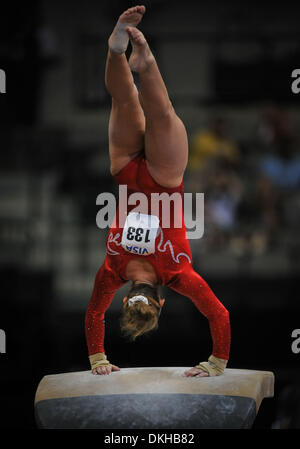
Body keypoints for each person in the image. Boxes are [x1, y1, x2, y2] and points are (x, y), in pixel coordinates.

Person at [85, 6, 230, 377]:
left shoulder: (179, 273)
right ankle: (117, 48)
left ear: (161, 304)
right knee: (125, 100)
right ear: (128, 297)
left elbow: (219, 314)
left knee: (163, 113)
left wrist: (217, 363)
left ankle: (145, 57)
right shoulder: (112, 270)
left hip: (165, 178)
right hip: (126, 172)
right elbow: (95, 314)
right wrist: (97, 359)